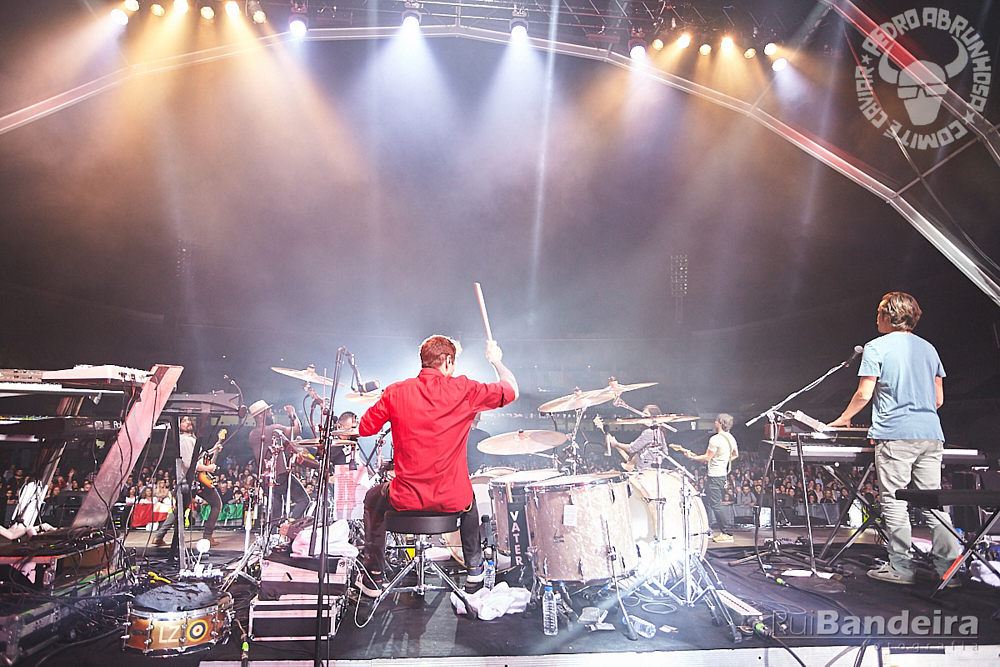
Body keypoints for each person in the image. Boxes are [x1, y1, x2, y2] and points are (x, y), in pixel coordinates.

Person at [356, 336, 518, 597]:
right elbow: (511, 390)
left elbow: (365, 428)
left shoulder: (397, 391)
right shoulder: (465, 390)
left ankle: (374, 576)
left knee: (372, 497)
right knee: (470, 500)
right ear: (448, 360)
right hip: (451, 499)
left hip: (404, 498)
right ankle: (474, 572)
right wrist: (496, 361)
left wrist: (387, 402)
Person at [828, 292, 961, 586]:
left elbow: (864, 393)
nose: (876, 318)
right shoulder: (929, 349)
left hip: (895, 435)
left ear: (889, 316)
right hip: (930, 434)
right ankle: (948, 571)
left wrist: (843, 418)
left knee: (895, 502)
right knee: (932, 502)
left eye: (879, 313)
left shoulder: (876, 348)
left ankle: (901, 568)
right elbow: (938, 399)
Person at [154, 416, 224, 547]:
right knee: (216, 503)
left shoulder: (191, 439)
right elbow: (189, 464)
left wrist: (214, 449)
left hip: (193, 480)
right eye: (184, 421)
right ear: (178, 425)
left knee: (180, 510)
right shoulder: (185, 440)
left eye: (189, 420)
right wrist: (208, 468)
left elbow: (198, 457)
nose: (188, 422)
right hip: (193, 480)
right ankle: (207, 536)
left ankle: (159, 536)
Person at [247, 401, 317, 524]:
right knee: (303, 500)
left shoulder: (252, 434)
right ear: (260, 416)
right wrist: (292, 414)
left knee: (276, 510)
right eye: (268, 412)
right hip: (280, 475)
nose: (271, 413)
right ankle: (290, 527)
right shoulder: (274, 429)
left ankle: (274, 535)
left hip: (266, 478)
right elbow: (296, 429)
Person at [678, 414, 739, 542]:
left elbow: (706, 458)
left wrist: (691, 457)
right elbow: (735, 455)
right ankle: (708, 529)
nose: (715, 422)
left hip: (715, 475)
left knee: (716, 505)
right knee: (708, 502)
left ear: (720, 424)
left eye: (716, 421)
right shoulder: (731, 438)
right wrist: (722, 461)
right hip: (721, 475)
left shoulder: (715, 439)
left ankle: (727, 533)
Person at [596, 405, 669, 471]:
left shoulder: (649, 432)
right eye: (642, 414)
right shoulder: (659, 432)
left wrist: (616, 444)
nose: (643, 416)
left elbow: (631, 449)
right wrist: (654, 461)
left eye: (646, 414)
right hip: (653, 472)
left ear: (653, 416)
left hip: (644, 472)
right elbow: (665, 453)